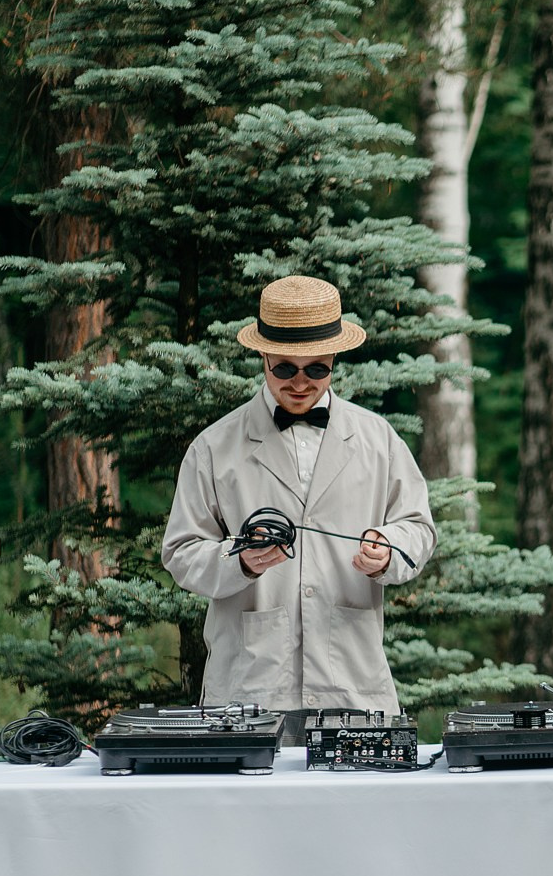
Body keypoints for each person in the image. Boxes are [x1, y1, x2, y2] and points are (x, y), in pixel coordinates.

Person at [162, 275, 436, 721]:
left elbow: (419, 529)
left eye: (316, 369)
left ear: (334, 361)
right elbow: (180, 552)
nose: (300, 383)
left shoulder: (377, 439)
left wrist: (388, 552)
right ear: (263, 357)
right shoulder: (214, 447)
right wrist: (241, 561)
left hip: (352, 685)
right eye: (285, 368)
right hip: (249, 686)